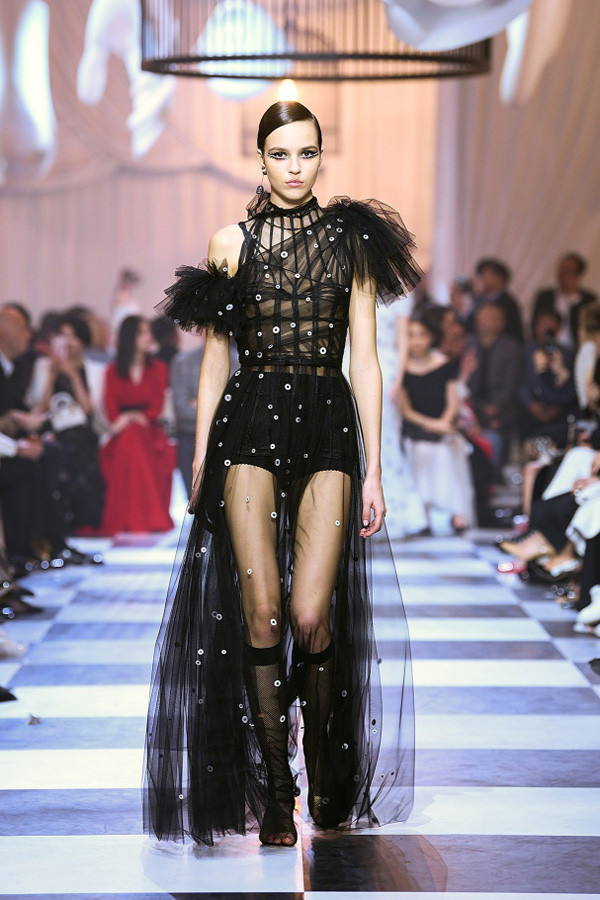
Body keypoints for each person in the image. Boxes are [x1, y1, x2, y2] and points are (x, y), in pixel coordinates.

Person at [144, 101, 421, 849]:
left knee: (309, 615)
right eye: (280, 154)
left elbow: (366, 361)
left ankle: (325, 761)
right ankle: (276, 783)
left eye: (307, 153)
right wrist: (200, 454)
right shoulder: (229, 243)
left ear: (320, 157)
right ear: (260, 160)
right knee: (262, 613)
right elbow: (215, 360)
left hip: (327, 425)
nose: (295, 167)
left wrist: (374, 469)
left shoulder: (353, 240)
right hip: (248, 427)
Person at [26, 314, 106, 532]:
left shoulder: (95, 370)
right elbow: (39, 408)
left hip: (83, 432)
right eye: (63, 335)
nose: (68, 342)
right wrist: (52, 376)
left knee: (77, 442)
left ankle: (80, 515)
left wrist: (73, 376)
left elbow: (89, 410)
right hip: (51, 429)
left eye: (73, 337)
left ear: (83, 341)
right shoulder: (43, 366)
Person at [99, 316, 175, 534]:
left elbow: (155, 408)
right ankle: (146, 516)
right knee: (131, 436)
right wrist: (130, 419)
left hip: (150, 431)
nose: (148, 337)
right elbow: (112, 412)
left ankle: (135, 516)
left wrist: (131, 417)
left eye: (148, 332)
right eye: (142, 333)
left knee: (134, 435)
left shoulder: (159, 368)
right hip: (124, 432)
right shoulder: (112, 371)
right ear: (130, 337)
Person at [401, 315, 474, 532]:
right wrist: (431, 424)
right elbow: (406, 410)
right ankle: (422, 515)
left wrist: (443, 422)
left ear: (431, 337)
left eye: (422, 335)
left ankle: (457, 513)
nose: (417, 341)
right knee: (422, 451)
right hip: (416, 429)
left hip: (444, 428)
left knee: (446, 449)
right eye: (411, 335)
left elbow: (453, 402)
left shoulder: (444, 365)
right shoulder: (401, 368)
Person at [467, 302, 522, 469]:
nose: (483, 321)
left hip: (500, 411)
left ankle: (493, 474)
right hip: (471, 407)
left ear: (501, 323)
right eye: (480, 317)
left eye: (489, 318)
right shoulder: (469, 343)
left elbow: (512, 384)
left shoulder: (510, 347)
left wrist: (495, 408)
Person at [518, 309, 578, 447]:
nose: (545, 328)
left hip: (559, 413)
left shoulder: (567, 354)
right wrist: (531, 404)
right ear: (535, 327)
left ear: (558, 329)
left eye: (550, 324)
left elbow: (570, 389)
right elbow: (520, 383)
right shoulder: (526, 352)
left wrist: (556, 408)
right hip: (531, 412)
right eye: (542, 324)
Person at [531, 253, 597, 348]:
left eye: (567, 271)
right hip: (548, 347)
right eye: (560, 269)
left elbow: (591, 329)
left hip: (577, 348)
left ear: (578, 275)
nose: (561, 274)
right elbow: (536, 326)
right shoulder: (545, 297)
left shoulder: (588, 300)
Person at [170, 341, 205, 498]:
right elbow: (181, 408)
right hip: (190, 435)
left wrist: (199, 403)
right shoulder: (183, 362)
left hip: (228, 437)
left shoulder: (239, 362)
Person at [465, 258, 524, 343]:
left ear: (500, 278)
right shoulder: (478, 299)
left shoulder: (507, 303)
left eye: (485, 274)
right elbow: (468, 325)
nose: (481, 278)